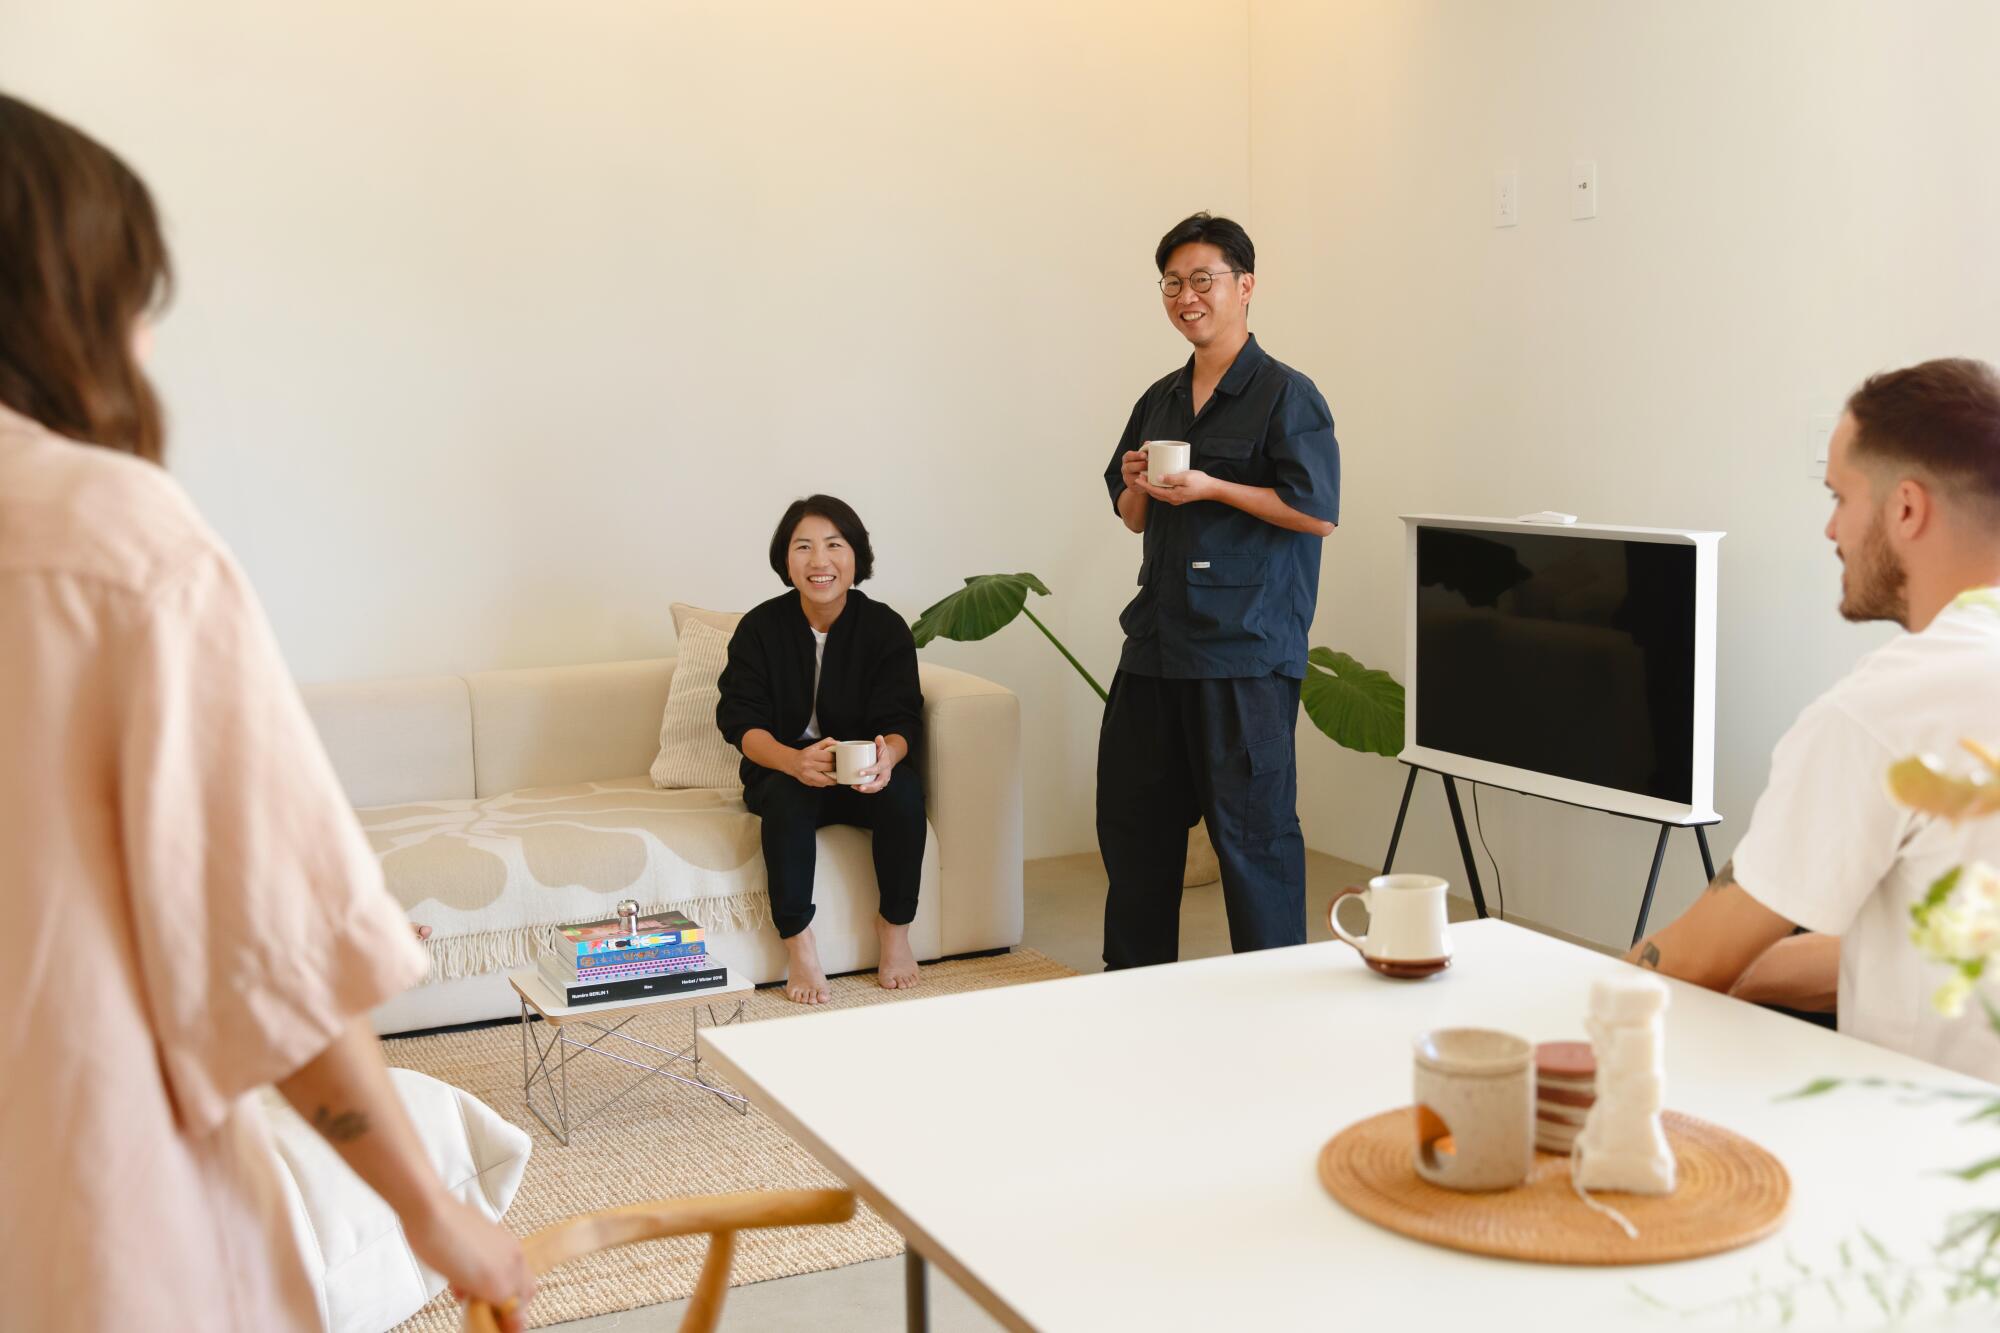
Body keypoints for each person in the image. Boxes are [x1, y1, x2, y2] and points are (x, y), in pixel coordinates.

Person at [0, 94, 533, 1330]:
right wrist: (433, 1211)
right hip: (82, 1211)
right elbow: (267, 955)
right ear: (62, 300)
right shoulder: (110, 539)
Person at [1627, 357, 2000, 1083]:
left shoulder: (1885, 712)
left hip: (1936, 1151)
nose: (1831, 528)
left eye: (1839, 496)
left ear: (1906, 509)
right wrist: (1760, 972)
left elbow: (1695, 959)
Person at [1097, 212, 1341, 969]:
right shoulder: (1160, 398)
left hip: (1244, 654)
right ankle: (1131, 990)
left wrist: (1212, 486)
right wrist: (1139, 485)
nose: (1186, 296)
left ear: (1246, 286)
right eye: (1173, 282)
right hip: (1157, 645)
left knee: (1254, 840)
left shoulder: (1285, 395)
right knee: (1136, 831)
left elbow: (1316, 511)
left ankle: (1271, 1001)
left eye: (1203, 279)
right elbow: (1131, 514)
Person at [717, 495, 926, 1004]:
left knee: (903, 795)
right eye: (803, 547)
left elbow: (903, 718)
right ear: (786, 560)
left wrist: (888, 758)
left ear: (855, 556)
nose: (819, 561)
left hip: (861, 773)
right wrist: (792, 760)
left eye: (834, 545)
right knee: (786, 803)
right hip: (786, 769)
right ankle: (800, 946)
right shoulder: (760, 628)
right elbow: (738, 719)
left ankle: (894, 930)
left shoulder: (884, 627)